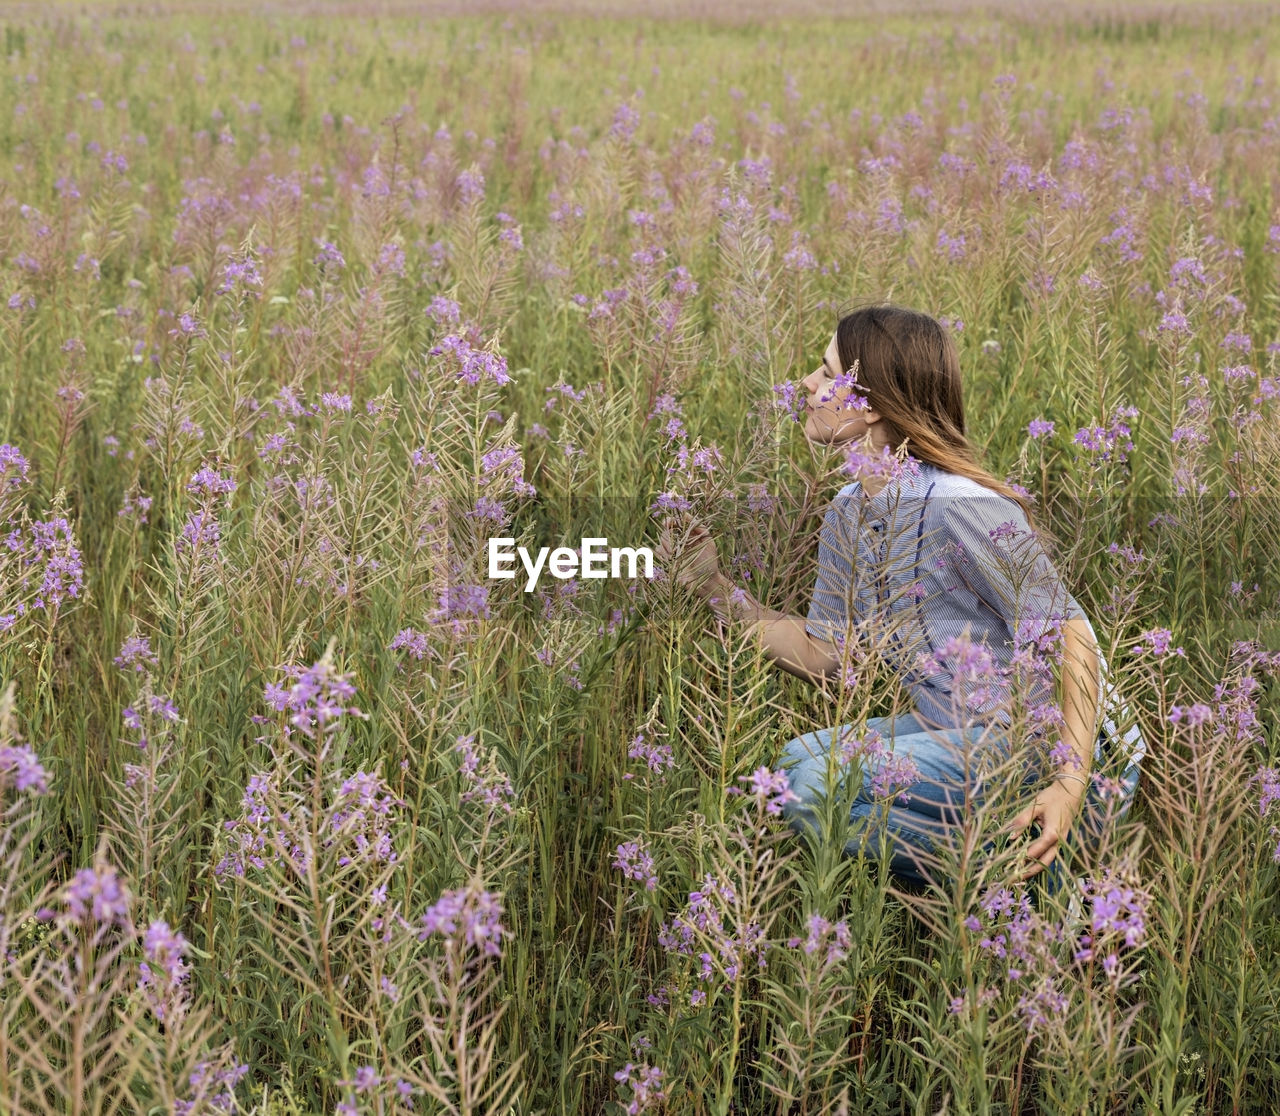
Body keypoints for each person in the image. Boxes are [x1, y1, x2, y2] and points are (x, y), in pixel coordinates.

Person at [655, 305, 1143, 897]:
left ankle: (1010, 882)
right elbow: (821, 655)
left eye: (826, 371)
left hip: (1055, 745)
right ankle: (1002, 879)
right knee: (786, 772)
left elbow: (1073, 634)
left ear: (873, 404)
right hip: (956, 730)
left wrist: (1068, 783)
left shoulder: (963, 506)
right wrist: (711, 587)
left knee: (815, 788)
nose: (806, 384)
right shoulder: (848, 513)